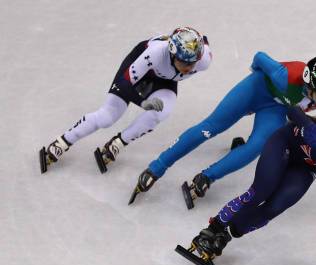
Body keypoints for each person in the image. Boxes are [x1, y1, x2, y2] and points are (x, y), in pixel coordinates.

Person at [177, 106, 316, 265]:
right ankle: (214, 228)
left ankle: (227, 235)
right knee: (261, 191)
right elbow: (292, 111)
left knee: (275, 207)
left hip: (306, 166)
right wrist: (304, 116)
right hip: (284, 144)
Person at [129, 53, 316, 204]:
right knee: (210, 128)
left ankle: (207, 177)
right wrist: (249, 95)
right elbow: (259, 57)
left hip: (275, 108)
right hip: (256, 89)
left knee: (257, 146)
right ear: (308, 86)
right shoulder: (285, 75)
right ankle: (156, 167)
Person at [39, 27, 212, 174]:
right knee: (108, 116)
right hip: (140, 70)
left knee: (162, 112)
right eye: (186, 63)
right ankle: (63, 141)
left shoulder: (203, 60)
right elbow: (125, 83)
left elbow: (204, 40)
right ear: (173, 54)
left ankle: (118, 143)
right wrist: (142, 102)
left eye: (194, 62)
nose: (191, 68)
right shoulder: (153, 54)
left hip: (165, 79)